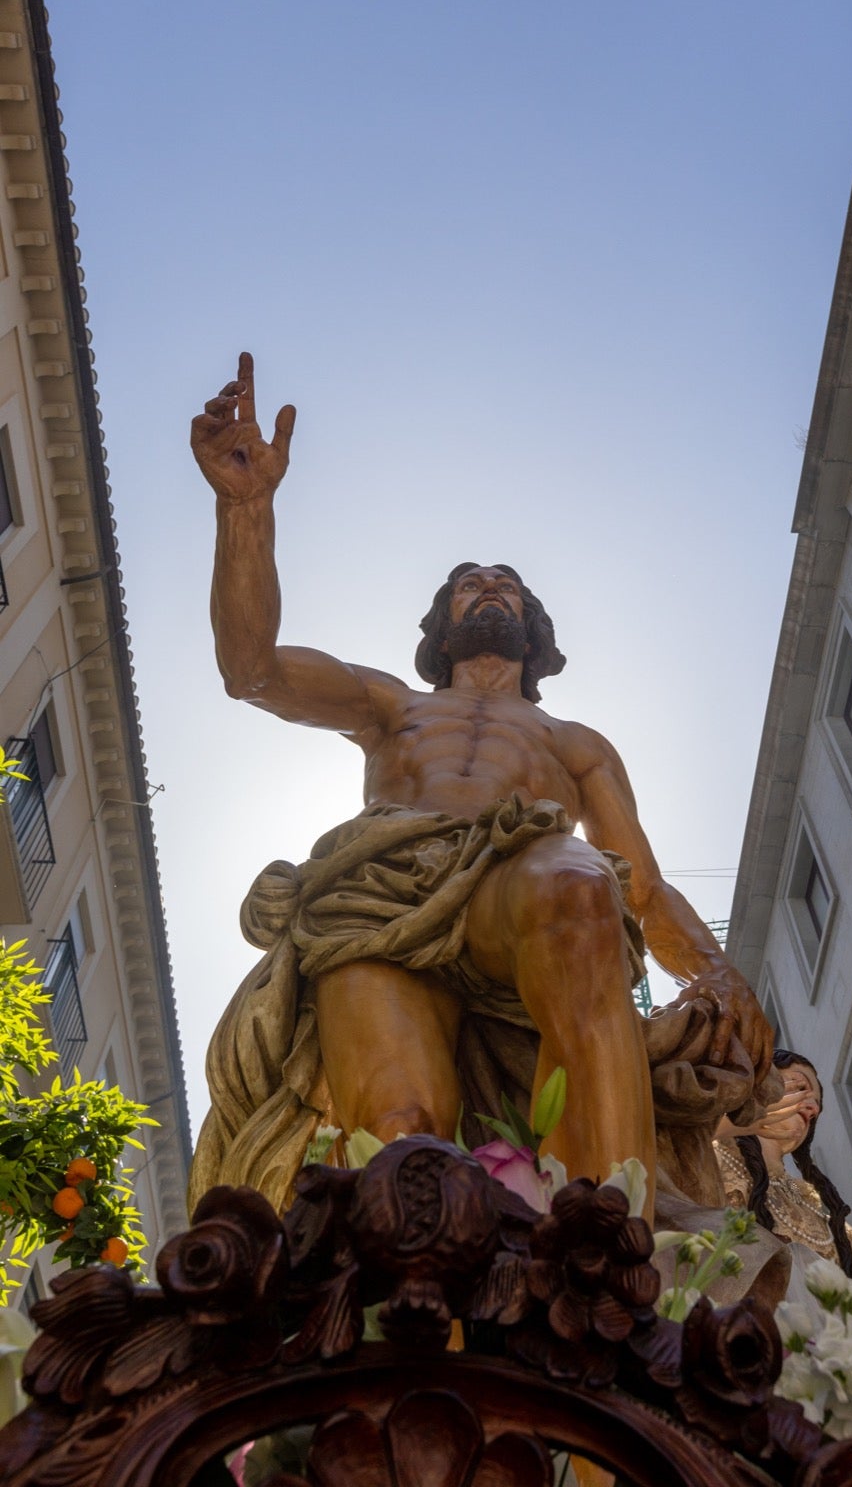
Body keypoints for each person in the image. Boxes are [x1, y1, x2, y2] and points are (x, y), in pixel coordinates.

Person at [189, 353, 774, 1218]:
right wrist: (246, 511)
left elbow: (640, 887)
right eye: (469, 586)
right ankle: (426, 1325)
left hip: (519, 882)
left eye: (505, 585)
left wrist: (719, 972)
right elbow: (254, 670)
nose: (487, 588)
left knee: (583, 887)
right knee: (402, 1133)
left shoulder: (573, 742)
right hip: (384, 893)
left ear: (534, 630)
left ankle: (607, 1251)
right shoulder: (390, 703)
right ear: (442, 626)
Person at [714, 1049, 852, 1368]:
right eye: (798, 1086)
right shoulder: (708, 1157)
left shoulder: (827, 1220)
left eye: (815, 1104)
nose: (812, 1107)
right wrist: (727, 1124)